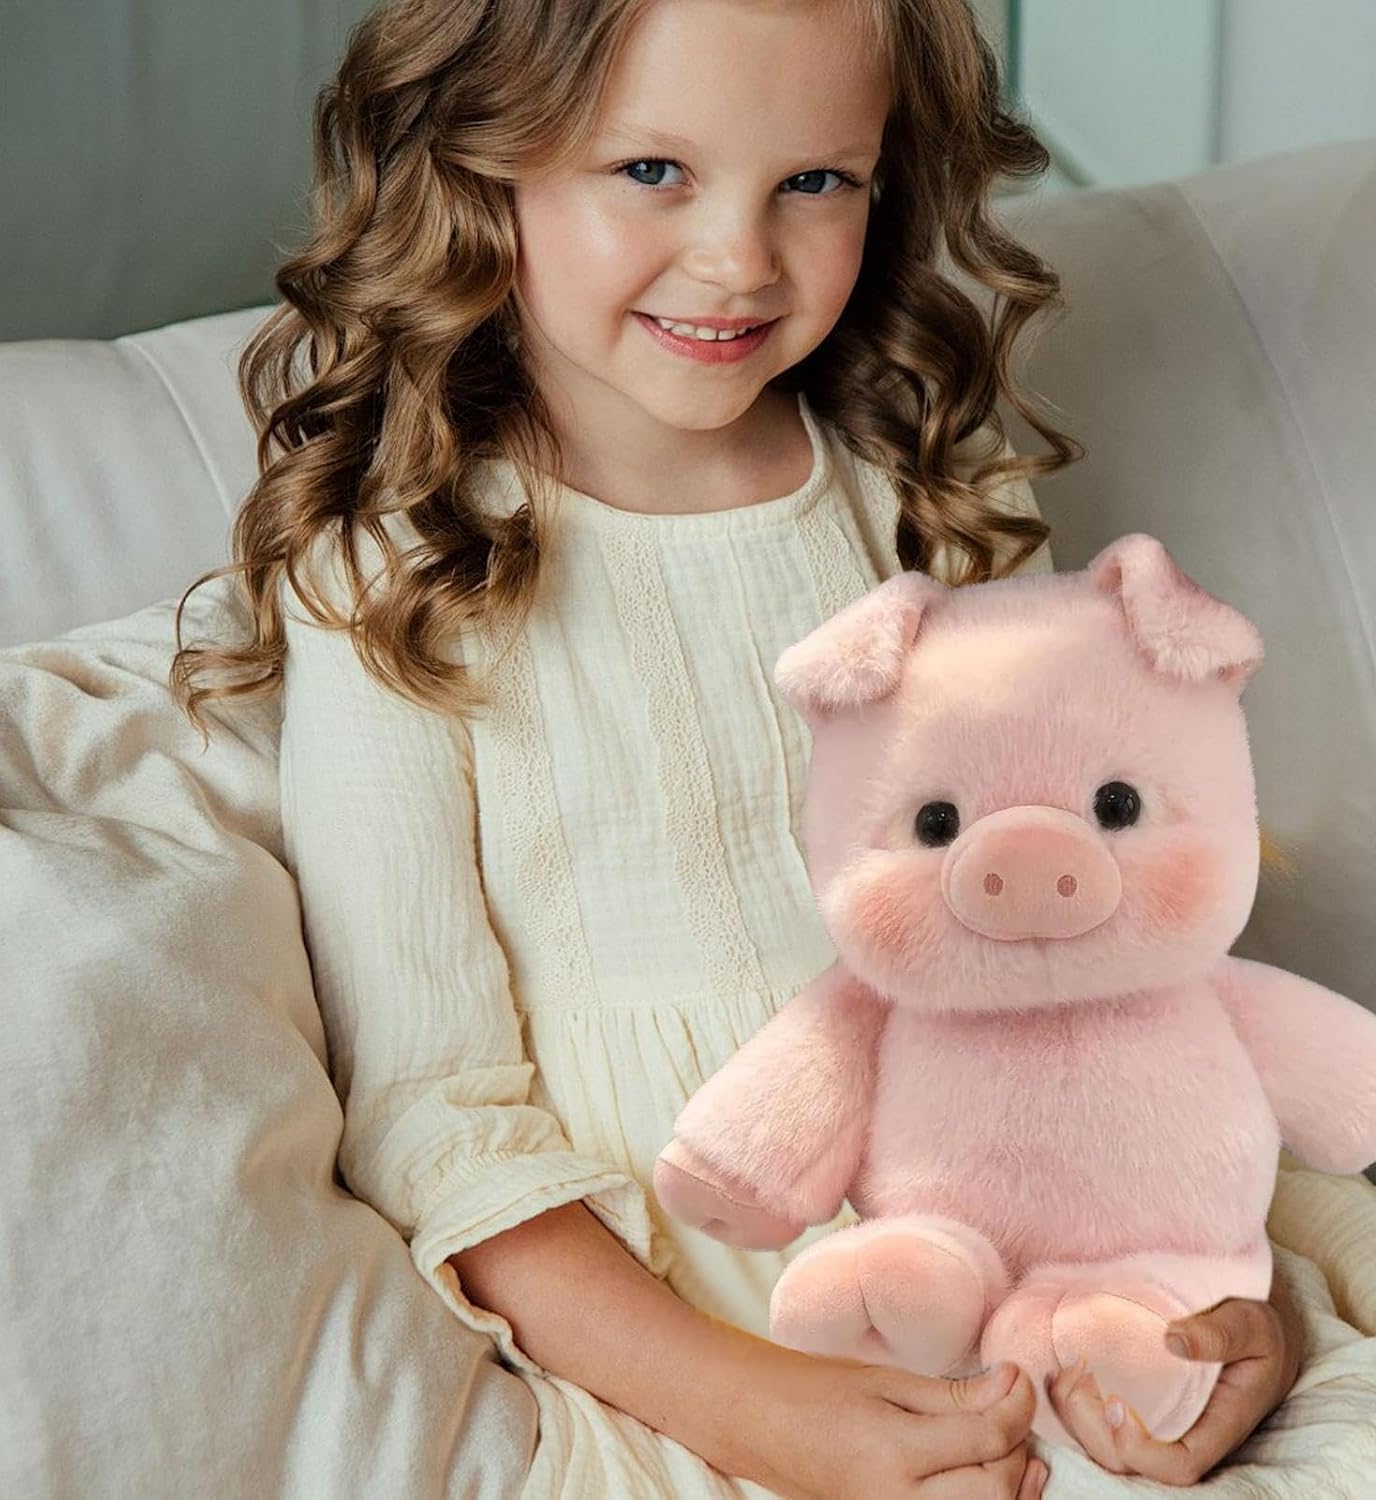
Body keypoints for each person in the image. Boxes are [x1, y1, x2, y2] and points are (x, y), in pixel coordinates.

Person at [172, 0, 1303, 1493]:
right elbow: (433, 1109)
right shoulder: (396, 576)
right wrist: (754, 1406)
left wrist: (1227, 1299)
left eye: (815, 181)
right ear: (477, 161)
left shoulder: (934, 496)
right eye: (652, 170)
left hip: (1042, 1241)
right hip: (681, 1325)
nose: (739, 260)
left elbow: (1100, 960)